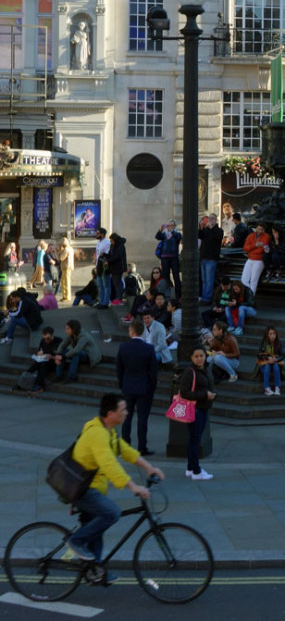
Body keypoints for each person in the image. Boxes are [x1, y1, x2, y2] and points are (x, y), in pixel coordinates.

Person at [67, 392, 164, 564]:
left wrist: (149, 467)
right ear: (111, 413)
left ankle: (95, 570)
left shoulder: (108, 432)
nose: (126, 412)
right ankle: (76, 540)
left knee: (96, 530)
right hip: (82, 488)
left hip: (92, 487)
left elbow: (125, 451)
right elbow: (109, 464)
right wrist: (133, 487)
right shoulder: (98, 434)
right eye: (123, 409)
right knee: (112, 513)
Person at [116, 319, 158, 456]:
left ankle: (125, 446)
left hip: (128, 387)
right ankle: (142, 447)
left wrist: (122, 384)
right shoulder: (149, 349)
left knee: (126, 418)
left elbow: (119, 369)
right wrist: (151, 387)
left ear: (132, 331)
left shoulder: (123, 347)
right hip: (144, 387)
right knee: (142, 419)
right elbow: (153, 372)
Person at [180, 347, 216, 480]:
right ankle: (196, 471)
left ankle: (190, 468)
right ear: (191, 358)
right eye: (196, 356)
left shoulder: (205, 369)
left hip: (202, 407)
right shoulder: (189, 372)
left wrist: (211, 393)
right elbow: (185, 393)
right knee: (195, 440)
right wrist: (205, 395)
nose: (200, 358)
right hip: (196, 409)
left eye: (201, 355)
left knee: (194, 439)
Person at [25, 324, 61, 391]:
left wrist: (52, 357)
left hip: (53, 362)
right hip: (44, 360)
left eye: (48, 339)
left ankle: (39, 385)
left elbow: (61, 356)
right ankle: (24, 379)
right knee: (36, 364)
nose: (46, 341)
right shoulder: (42, 341)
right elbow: (40, 351)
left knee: (42, 365)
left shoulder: (59, 341)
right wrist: (39, 354)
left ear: (52, 335)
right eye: (45, 339)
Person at [198, 214, 224, 303]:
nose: (210, 220)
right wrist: (201, 227)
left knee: (209, 280)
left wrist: (211, 228)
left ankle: (207, 298)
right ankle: (204, 296)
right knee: (204, 280)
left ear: (216, 220)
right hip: (203, 257)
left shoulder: (219, 230)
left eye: (212, 218)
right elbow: (199, 235)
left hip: (212, 258)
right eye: (209, 218)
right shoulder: (206, 230)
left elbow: (218, 237)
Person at [255, 325, 285, 396]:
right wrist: (267, 358)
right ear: (267, 335)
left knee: (275, 366)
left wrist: (276, 359)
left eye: (274, 333)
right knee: (267, 366)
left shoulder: (279, 343)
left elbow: (283, 354)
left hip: (275, 362)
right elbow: (259, 354)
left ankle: (277, 388)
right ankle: (267, 388)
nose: (272, 336)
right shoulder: (263, 342)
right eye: (270, 334)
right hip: (265, 363)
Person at [154, 220, 182, 298]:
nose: (169, 227)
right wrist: (161, 229)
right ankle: (167, 292)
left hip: (174, 257)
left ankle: (178, 295)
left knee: (176, 276)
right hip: (164, 257)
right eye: (168, 225)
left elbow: (179, 238)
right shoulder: (164, 234)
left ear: (174, 226)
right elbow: (157, 237)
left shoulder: (177, 234)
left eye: (171, 225)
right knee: (165, 275)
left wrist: (172, 231)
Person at [241, 223, 269, 295]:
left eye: (261, 230)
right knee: (244, 279)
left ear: (264, 230)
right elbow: (245, 248)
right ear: (256, 228)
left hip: (258, 260)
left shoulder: (266, 236)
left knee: (254, 280)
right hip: (251, 259)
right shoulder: (251, 236)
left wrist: (252, 248)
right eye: (258, 229)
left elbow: (263, 249)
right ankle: (246, 295)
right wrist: (255, 245)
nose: (259, 231)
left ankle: (251, 296)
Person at [107, 233, 127, 303]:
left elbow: (117, 256)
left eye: (111, 240)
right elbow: (111, 254)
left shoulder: (120, 246)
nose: (111, 242)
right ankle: (118, 298)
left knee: (117, 284)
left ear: (115, 240)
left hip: (118, 268)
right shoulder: (113, 246)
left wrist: (108, 261)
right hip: (114, 268)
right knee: (116, 284)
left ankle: (119, 299)